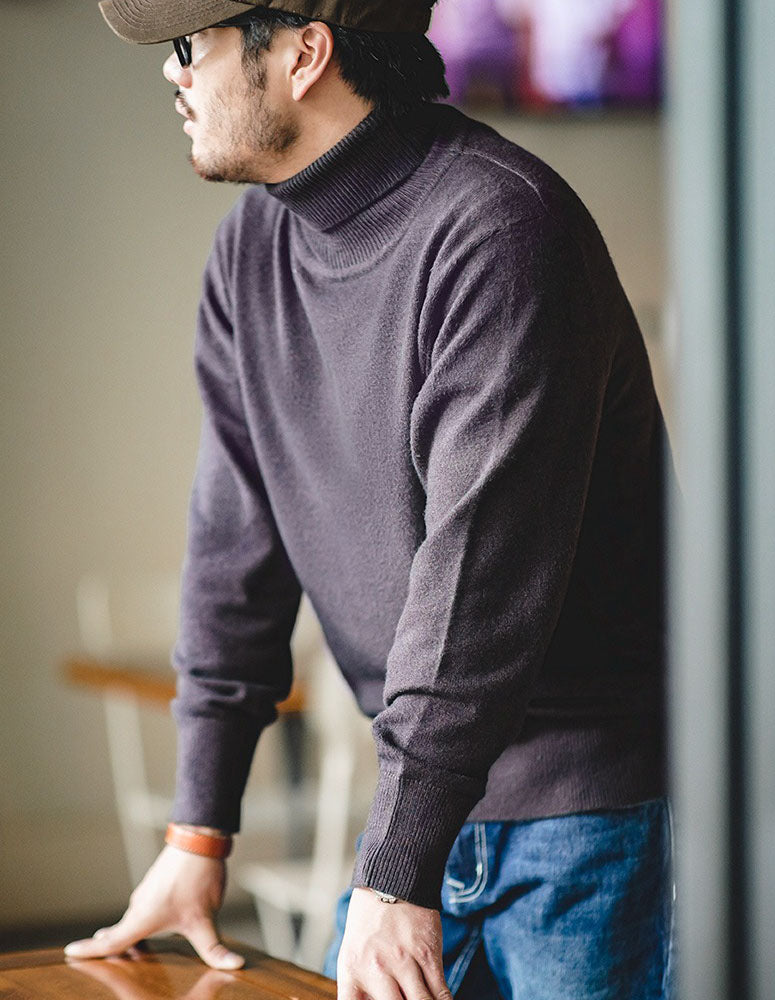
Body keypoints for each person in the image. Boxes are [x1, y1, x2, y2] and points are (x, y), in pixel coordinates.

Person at [65, 2, 676, 998]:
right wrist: (197, 831)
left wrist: (396, 871)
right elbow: (232, 558)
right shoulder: (251, 255)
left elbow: (476, 590)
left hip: (592, 822)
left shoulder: (502, 232)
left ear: (305, 52)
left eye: (189, 46)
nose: (172, 74)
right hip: (429, 805)